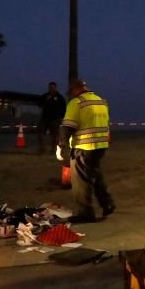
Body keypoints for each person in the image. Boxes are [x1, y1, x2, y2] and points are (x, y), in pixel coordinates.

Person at [57, 79, 114, 223]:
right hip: (100, 146)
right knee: (96, 176)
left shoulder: (76, 103)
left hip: (83, 147)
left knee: (81, 182)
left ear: (76, 90)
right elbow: (106, 125)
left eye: (71, 92)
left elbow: (67, 127)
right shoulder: (101, 101)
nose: (71, 95)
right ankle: (107, 203)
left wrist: (60, 146)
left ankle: (85, 214)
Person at [36, 81, 66, 154]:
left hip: (55, 118)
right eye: (50, 88)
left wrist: (61, 117)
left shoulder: (59, 97)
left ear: (55, 88)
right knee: (40, 131)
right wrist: (46, 100)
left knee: (54, 135)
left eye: (53, 87)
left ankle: (53, 149)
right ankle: (41, 148)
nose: (51, 89)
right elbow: (39, 104)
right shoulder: (45, 96)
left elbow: (64, 107)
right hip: (45, 118)